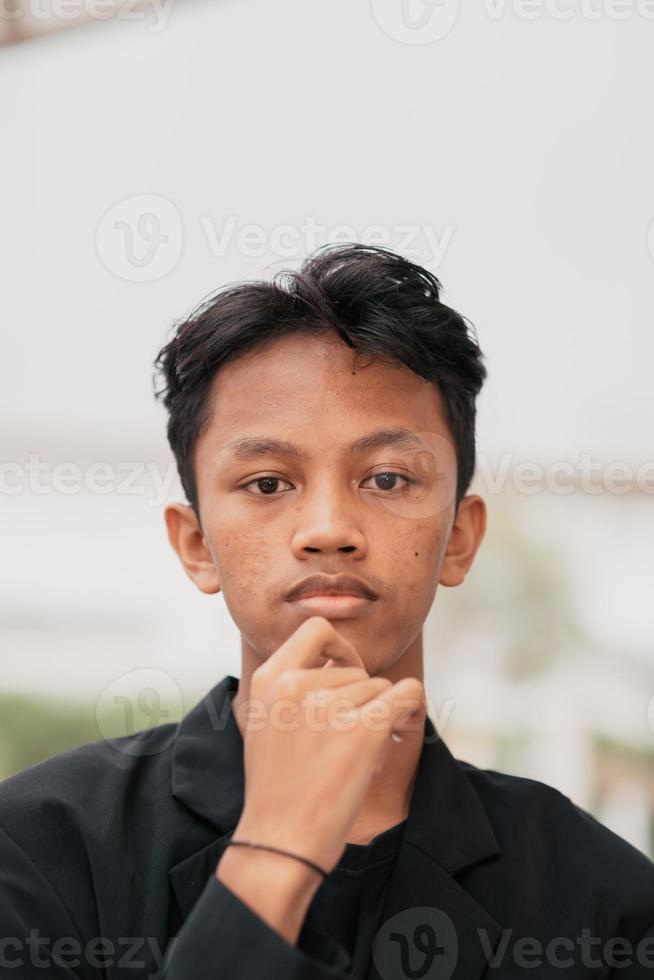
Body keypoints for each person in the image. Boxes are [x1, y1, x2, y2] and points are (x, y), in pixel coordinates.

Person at [0, 244, 652, 980]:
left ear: (460, 538)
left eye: (386, 476)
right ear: (196, 545)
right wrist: (274, 852)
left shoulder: (603, 899)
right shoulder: (36, 846)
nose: (328, 527)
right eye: (269, 482)